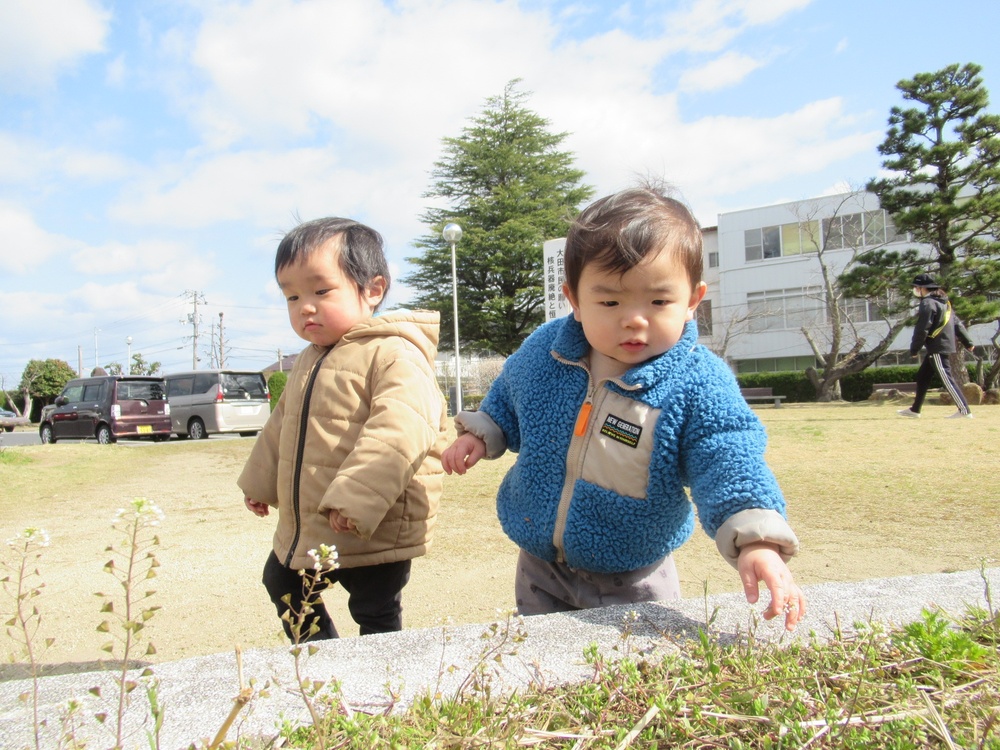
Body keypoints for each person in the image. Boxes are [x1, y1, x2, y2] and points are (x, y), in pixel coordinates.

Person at [442, 187, 806, 631]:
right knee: (540, 665)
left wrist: (756, 541)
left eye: (658, 301)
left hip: (633, 571)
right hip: (540, 563)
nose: (634, 319)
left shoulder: (696, 381)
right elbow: (509, 396)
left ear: (693, 299)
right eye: (610, 302)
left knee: (634, 670)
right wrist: (481, 431)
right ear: (574, 299)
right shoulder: (547, 351)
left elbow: (727, 458)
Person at [239, 217, 448, 641]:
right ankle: (327, 661)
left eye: (321, 290)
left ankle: (387, 680)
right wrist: (260, 484)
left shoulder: (393, 353)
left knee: (374, 609)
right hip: (315, 521)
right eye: (292, 295)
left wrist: (355, 499)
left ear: (372, 290)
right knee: (281, 583)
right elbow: (282, 427)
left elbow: (401, 430)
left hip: (372, 521)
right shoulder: (308, 359)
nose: (305, 307)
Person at [898, 273, 975, 419]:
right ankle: (915, 410)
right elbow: (957, 323)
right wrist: (968, 342)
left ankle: (964, 411)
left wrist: (915, 348)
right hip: (940, 345)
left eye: (915, 287)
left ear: (922, 288)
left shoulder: (927, 303)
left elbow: (922, 328)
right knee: (922, 377)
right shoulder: (944, 303)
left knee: (946, 378)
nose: (914, 289)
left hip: (937, 347)